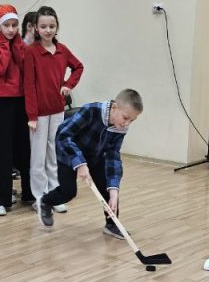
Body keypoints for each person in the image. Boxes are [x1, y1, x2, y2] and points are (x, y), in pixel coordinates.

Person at [37, 89, 142, 234]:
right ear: (115, 107)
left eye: (132, 121)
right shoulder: (90, 111)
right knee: (68, 192)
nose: (127, 124)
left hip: (94, 155)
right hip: (68, 152)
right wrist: (80, 163)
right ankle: (46, 201)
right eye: (126, 118)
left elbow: (113, 155)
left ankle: (112, 224)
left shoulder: (120, 128)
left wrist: (114, 190)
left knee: (107, 187)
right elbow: (63, 136)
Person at [24, 6, 84, 210]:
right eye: (43, 26)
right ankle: (40, 198)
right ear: (36, 28)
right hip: (39, 115)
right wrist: (32, 115)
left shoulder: (62, 50)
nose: (48, 30)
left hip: (58, 111)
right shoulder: (31, 52)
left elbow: (78, 67)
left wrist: (68, 85)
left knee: (55, 155)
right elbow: (29, 85)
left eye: (51, 26)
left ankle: (55, 196)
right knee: (38, 157)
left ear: (57, 27)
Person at [0, 4, 33, 216]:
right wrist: (3, 43)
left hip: (22, 100)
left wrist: (18, 44)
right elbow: (0, 67)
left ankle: (30, 194)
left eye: (14, 25)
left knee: (24, 149)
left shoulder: (21, 44)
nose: (11, 29)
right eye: (6, 25)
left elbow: (25, 65)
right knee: (2, 152)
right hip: (2, 101)